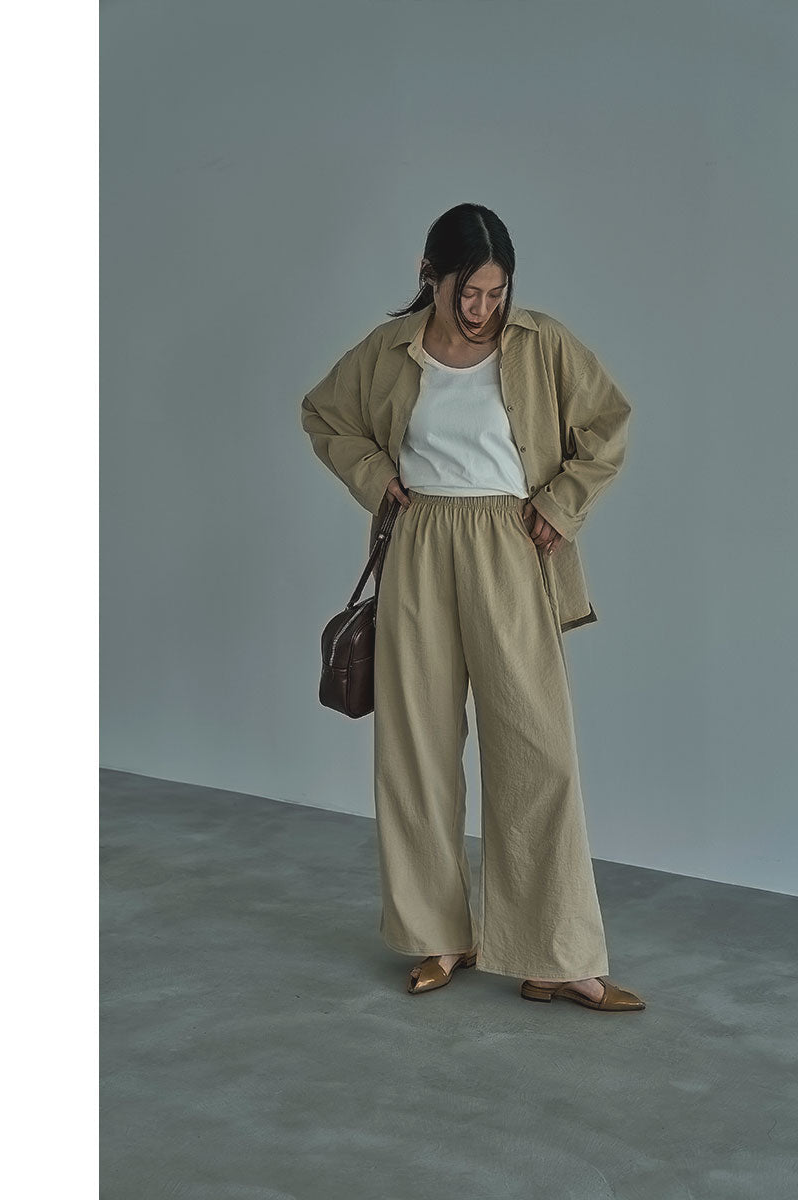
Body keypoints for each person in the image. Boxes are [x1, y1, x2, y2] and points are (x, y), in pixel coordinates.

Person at [301, 203, 645, 1012]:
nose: (484, 308)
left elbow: (608, 424)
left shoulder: (541, 343)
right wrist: (374, 478)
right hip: (418, 542)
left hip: (509, 544)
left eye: (497, 292)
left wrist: (560, 505)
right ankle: (440, 936)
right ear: (431, 274)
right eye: (469, 292)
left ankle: (554, 953)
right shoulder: (390, 350)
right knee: (416, 749)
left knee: (537, 748)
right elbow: (323, 413)